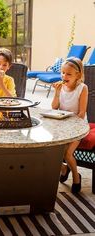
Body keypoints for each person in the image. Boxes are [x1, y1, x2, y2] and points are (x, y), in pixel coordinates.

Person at [51, 57, 88, 193]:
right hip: (62, 124)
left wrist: (71, 127)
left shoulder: (82, 88)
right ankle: (64, 168)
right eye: (63, 73)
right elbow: (54, 107)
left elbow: (82, 113)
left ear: (78, 75)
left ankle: (76, 177)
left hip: (78, 127)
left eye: (68, 74)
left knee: (67, 153)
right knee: (49, 150)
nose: (64, 76)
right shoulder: (61, 87)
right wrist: (56, 93)